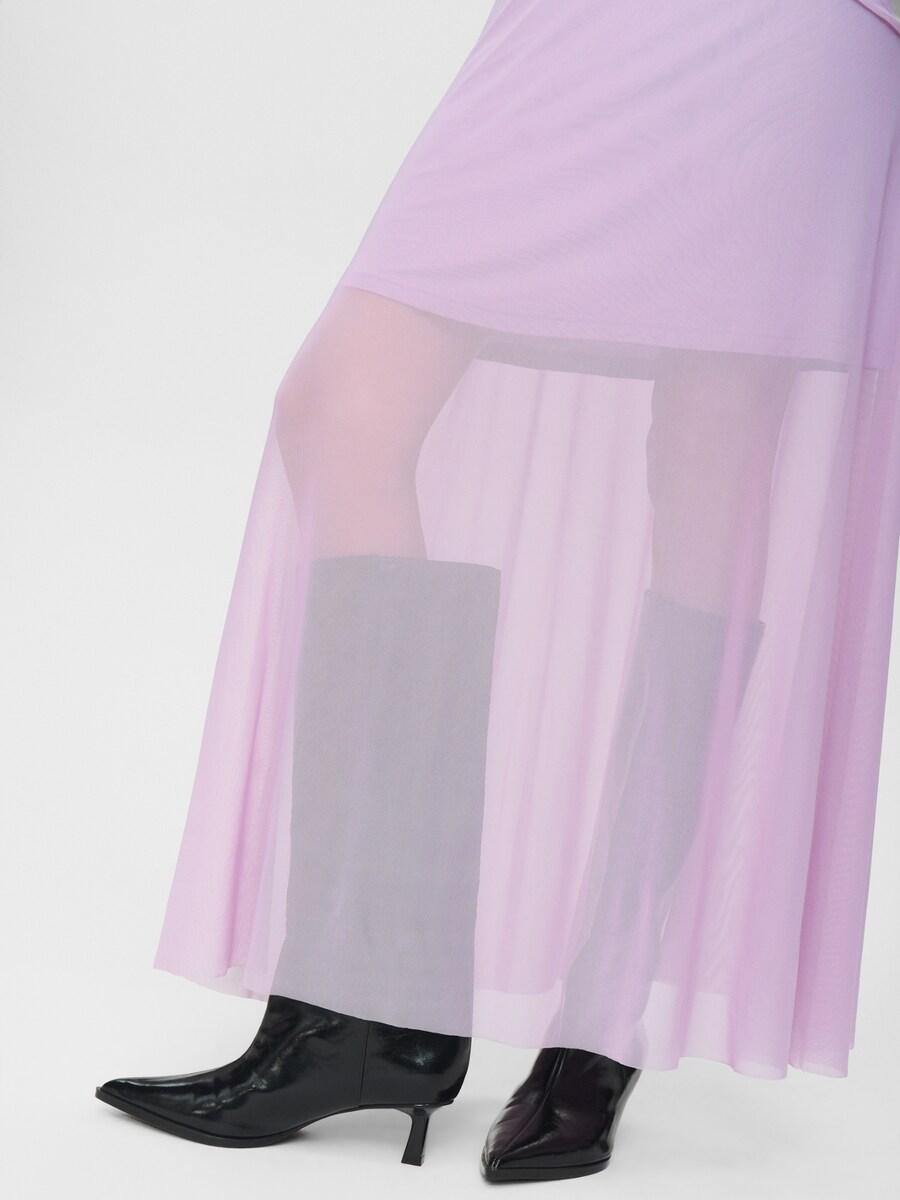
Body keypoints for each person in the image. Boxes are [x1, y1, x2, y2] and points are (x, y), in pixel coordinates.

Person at [95, 0, 900, 1183]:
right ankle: (372, 1007)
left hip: (789, 36)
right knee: (339, 407)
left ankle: (599, 1020)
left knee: (714, 456)